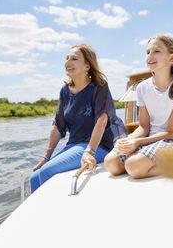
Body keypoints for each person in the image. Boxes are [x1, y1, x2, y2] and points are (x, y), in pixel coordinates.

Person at [30, 43, 126, 193]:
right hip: (75, 145)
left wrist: (90, 152)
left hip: (100, 146)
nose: (68, 62)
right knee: (35, 177)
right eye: (67, 58)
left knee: (45, 173)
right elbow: (58, 126)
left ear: (87, 66)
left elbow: (102, 121)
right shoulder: (64, 91)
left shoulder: (99, 86)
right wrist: (46, 157)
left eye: (74, 58)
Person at [104, 34, 173, 178]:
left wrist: (137, 142)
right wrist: (129, 140)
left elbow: (171, 132)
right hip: (152, 138)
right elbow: (144, 127)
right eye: (148, 52)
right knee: (111, 163)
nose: (150, 56)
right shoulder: (142, 88)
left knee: (133, 167)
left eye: (156, 51)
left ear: (172, 58)